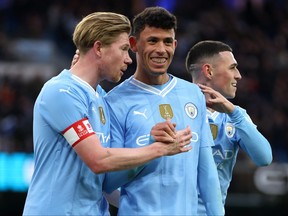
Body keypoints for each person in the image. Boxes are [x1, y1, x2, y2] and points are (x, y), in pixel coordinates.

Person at [22, 12, 193, 216]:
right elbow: (98, 160)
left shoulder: (101, 97)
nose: (128, 59)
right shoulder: (60, 92)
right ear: (98, 48)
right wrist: (159, 149)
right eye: (123, 49)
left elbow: (106, 182)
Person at [102, 7, 224, 215]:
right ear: (134, 45)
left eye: (167, 41)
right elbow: (108, 182)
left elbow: (207, 172)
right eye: (152, 41)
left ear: (175, 45)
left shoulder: (193, 94)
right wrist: (152, 148)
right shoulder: (113, 102)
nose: (161, 49)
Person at [185, 40, 273, 215]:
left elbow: (264, 158)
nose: (238, 75)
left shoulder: (235, 116)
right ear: (208, 71)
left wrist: (234, 112)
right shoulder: (175, 108)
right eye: (232, 67)